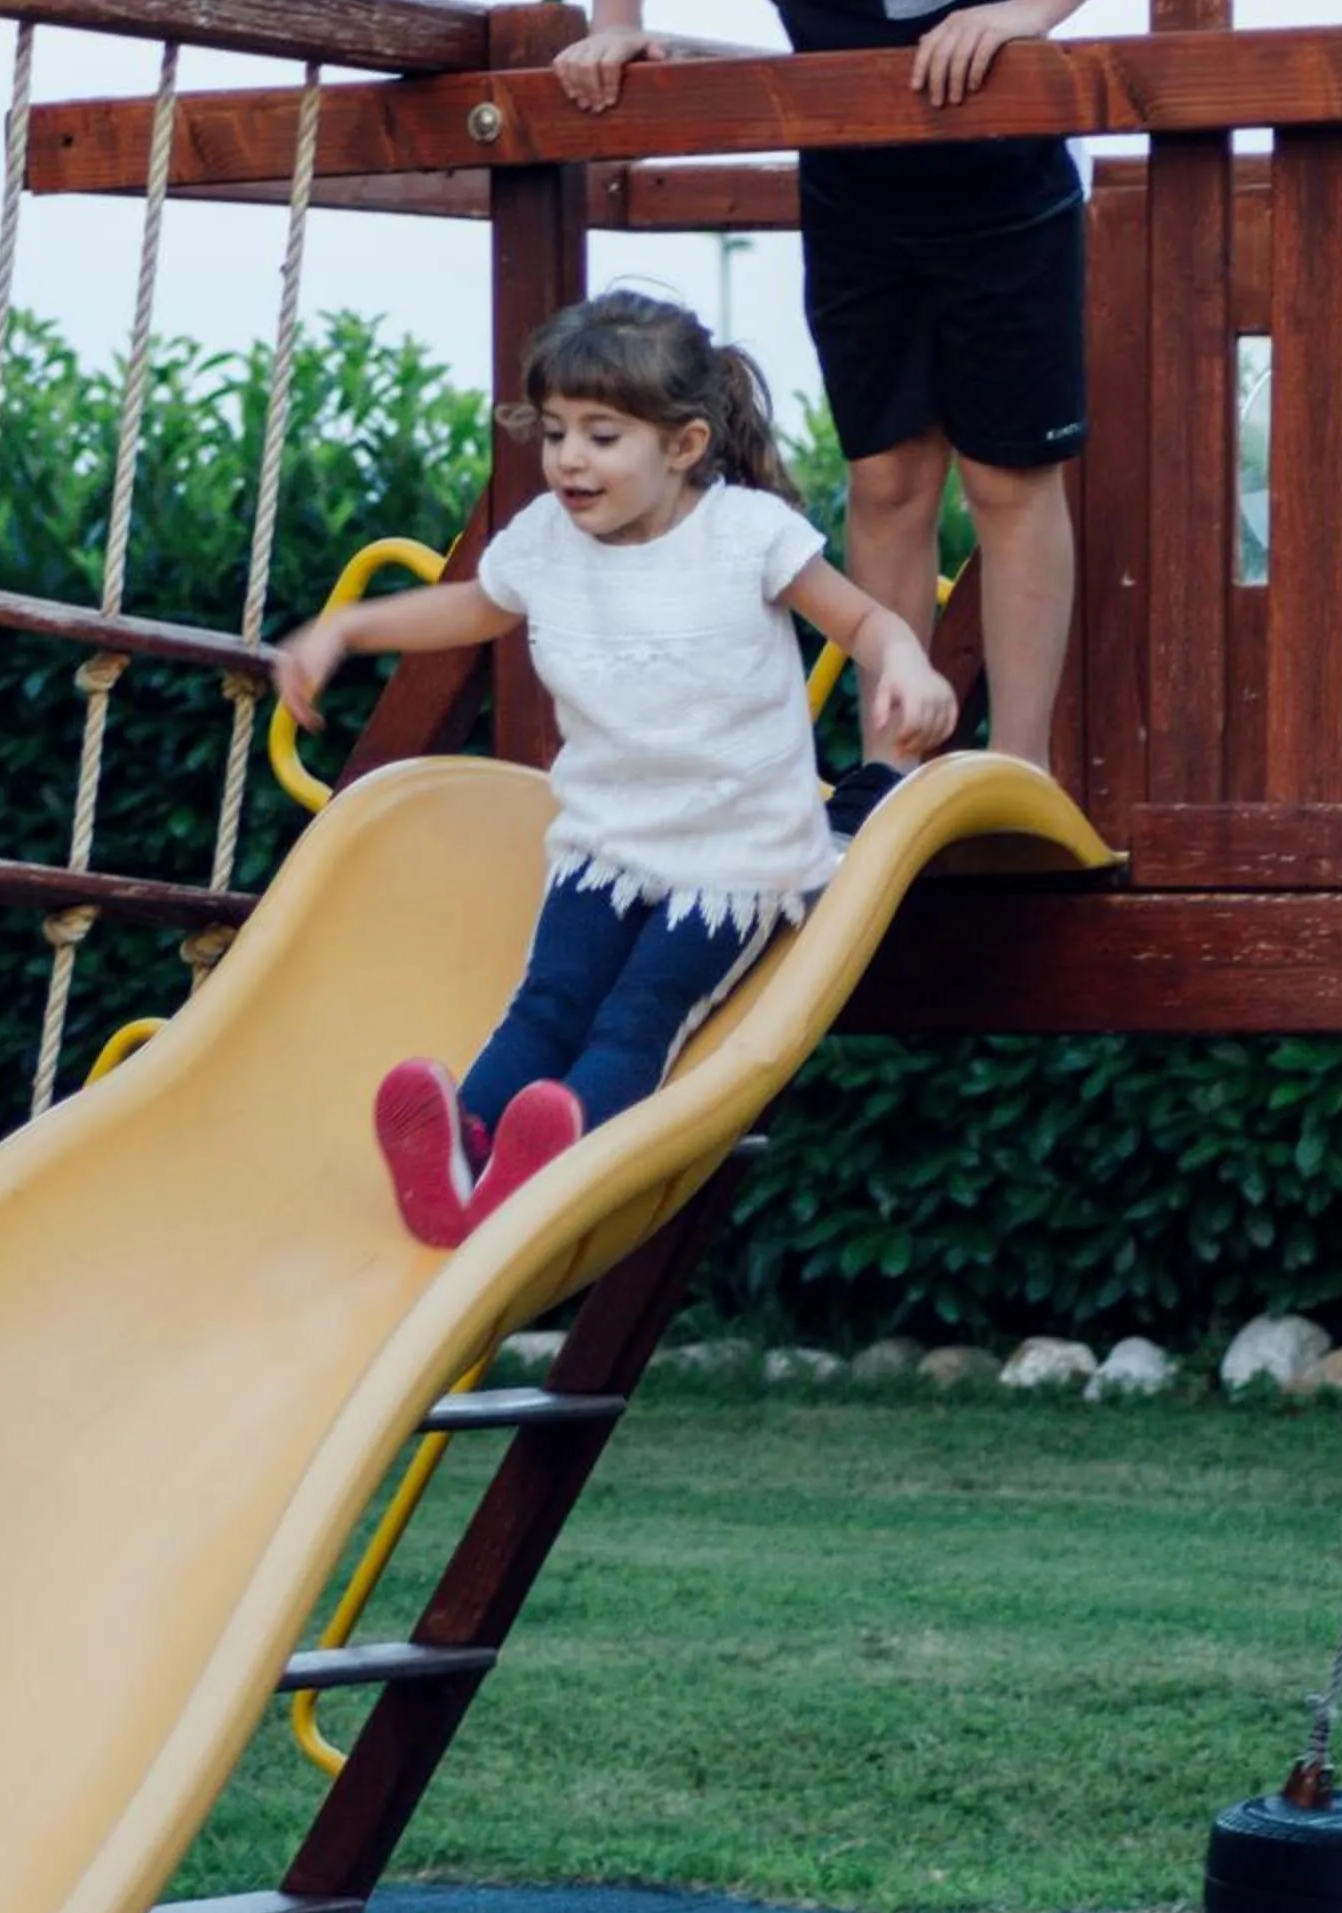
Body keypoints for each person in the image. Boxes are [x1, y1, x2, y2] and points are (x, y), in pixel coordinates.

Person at [555, 0, 1149, 831]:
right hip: (855, 181)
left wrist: (1030, 11)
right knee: (882, 475)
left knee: (1005, 475)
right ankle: (894, 759)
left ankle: (1017, 767)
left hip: (999, 181)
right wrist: (617, 20)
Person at [271, 290, 956, 1246]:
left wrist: (909, 665)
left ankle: (560, 1150)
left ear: (681, 446)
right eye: (555, 434)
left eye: (601, 436)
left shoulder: (746, 534)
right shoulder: (545, 544)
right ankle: (461, 1147)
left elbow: (866, 621)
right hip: (606, 844)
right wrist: (349, 626)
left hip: (736, 861)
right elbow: (468, 612)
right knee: (546, 1002)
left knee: (637, 1015)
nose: (569, 460)